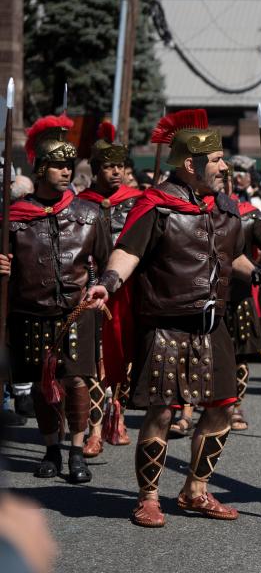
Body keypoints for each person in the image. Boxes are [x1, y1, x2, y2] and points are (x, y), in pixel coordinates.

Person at [84, 109, 261, 528]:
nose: (223, 166)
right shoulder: (156, 207)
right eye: (215, 160)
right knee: (161, 413)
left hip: (211, 325)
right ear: (190, 164)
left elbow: (232, 258)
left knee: (221, 407)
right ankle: (148, 497)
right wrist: (108, 281)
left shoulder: (224, 209)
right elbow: (128, 252)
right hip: (166, 326)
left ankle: (195, 490)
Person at [0, 115, 111, 483]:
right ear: (42, 168)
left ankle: (76, 452)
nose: (66, 172)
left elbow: (107, 261)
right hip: (30, 313)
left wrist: (100, 290)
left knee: (76, 382)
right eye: (59, 166)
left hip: (76, 313)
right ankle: (51, 451)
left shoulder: (89, 213)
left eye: (69, 166)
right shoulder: (12, 219)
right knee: (41, 386)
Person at [76, 122, 143, 456]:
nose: (117, 172)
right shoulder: (80, 203)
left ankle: (119, 412)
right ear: (96, 169)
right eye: (109, 166)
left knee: (124, 350)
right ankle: (95, 428)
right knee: (95, 356)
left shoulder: (138, 201)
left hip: (129, 288)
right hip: (91, 287)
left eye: (121, 166)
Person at [223, 163, 261, 427]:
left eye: (228, 180)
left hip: (239, 293)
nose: (224, 184)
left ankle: (236, 406)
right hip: (203, 294)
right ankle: (188, 411)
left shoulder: (249, 214)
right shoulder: (197, 212)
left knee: (241, 354)